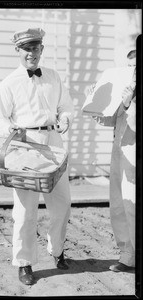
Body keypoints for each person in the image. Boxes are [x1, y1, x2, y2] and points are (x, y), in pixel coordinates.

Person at [0, 28, 74, 285]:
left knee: (63, 203)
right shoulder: (8, 83)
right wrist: (9, 129)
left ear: (42, 50)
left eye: (35, 48)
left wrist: (65, 120)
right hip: (25, 146)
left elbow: (66, 107)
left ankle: (57, 250)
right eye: (26, 49)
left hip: (54, 146)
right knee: (26, 210)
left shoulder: (53, 77)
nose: (31, 53)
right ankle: (24, 263)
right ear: (18, 51)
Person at [88, 50, 136, 272]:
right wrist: (95, 101)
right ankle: (127, 254)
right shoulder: (124, 86)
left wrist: (129, 105)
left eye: (135, 66)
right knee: (119, 203)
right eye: (129, 66)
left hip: (135, 154)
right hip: (119, 150)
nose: (131, 71)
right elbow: (109, 119)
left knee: (132, 204)